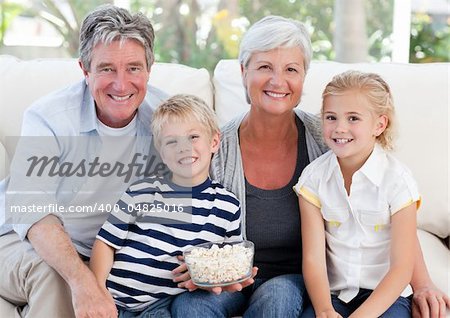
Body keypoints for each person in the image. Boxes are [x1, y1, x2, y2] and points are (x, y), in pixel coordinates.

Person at [171, 15, 450, 318]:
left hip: (293, 279)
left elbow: (387, 209)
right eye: (265, 67)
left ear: (304, 77)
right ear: (243, 72)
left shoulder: (331, 138)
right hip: (229, 279)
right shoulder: (215, 148)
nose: (278, 81)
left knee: (276, 298)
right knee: (190, 306)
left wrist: (422, 283)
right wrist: (198, 261)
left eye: (291, 69)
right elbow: (187, 210)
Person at [0, 5, 168, 318]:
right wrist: (83, 280)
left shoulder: (166, 117)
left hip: (109, 251)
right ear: (84, 69)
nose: (120, 85)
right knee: (57, 276)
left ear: (149, 68)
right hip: (20, 238)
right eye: (106, 69)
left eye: (133, 68)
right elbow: (32, 212)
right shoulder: (48, 118)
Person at [89, 94, 242, 318]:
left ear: (214, 142)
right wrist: (98, 291)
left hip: (159, 307)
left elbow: (231, 262)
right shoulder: (141, 191)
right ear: (161, 151)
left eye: (193, 137)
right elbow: (105, 244)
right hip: (113, 301)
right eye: (172, 141)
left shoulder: (227, 205)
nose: (183, 148)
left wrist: (209, 275)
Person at [296, 70, 418, 317]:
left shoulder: (398, 181)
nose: (340, 128)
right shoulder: (313, 179)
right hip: (333, 296)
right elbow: (313, 259)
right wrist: (323, 310)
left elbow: (402, 268)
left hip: (385, 297)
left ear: (379, 124)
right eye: (331, 117)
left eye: (353, 118)